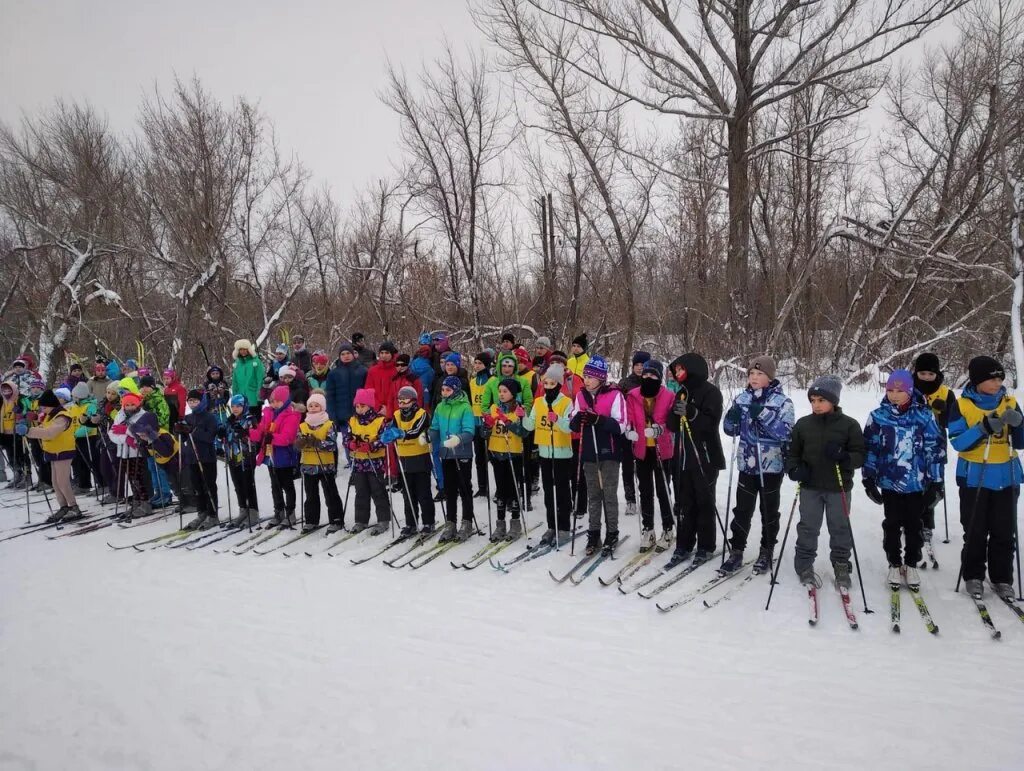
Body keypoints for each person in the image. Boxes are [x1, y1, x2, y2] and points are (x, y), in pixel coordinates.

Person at [948, 356, 1024, 599]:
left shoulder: (1010, 402)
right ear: (978, 380)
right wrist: (983, 428)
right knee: (974, 530)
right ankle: (974, 575)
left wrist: (1019, 425)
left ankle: (1002, 578)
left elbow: (1021, 442)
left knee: (1004, 530)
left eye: (1000, 377)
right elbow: (958, 442)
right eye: (992, 378)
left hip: (1006, 476)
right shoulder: (962, 405)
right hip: (974, 477)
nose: (997, 382)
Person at [862, 369, 945, 588]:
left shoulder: (924, 416)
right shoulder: (878, 416)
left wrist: (936, 482)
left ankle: (911, 564)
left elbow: (934, 450)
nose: (894, 394)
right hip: (889, 482)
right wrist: (868, 478)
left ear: (909, 390)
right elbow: (870, 448)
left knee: (914, 525)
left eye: (900, 390)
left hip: (917, 483)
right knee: (891, 524)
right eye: (890, 390)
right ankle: (894, 563)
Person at [786, 375, 866, 588]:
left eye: (821, 400)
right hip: (810, 487)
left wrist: (844, 456)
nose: (816, 404)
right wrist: (794, 469)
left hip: (837, 487)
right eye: (813, 400)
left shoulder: (849, 425)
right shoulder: (803, 425)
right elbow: (792, 454)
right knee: (808, 527)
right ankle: (804, 563)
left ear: (833, 401)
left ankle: (841, 564)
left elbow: (859, 455)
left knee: (840, 527)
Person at [720, 355, 795, 574]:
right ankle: (736, 550)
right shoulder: (742, 398)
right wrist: (731, 419)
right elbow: (730, 430)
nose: (754, 378)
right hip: (747, 463)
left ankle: (766, 550)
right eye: (751, 373)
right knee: (742, 509)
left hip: (770, 465)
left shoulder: (782, 402)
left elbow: (787, 433)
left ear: (769, 377)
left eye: (759, 374)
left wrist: (762, 415)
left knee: (768, 510)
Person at [570, 356, 628, 555]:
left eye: (591, 377)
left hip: (609, 453)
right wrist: (578, 419)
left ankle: (612, 532)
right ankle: (594, 533)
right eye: (585, 376)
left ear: (601, 379)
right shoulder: (581, 396)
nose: (586, 380)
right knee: (593, 496)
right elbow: (573, 420)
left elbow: (621, 425)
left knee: (608, 495)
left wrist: (599, 420)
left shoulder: (614, 395)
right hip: (588, 453)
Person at [624, 360, 676, 554]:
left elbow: (673, 424)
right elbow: (629, 418)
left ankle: (668, 529)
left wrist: (659, 430)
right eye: (645, 375)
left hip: (662, 450)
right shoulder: (633, 395)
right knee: (645, 491)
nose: (648, 379)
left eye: (652, 376)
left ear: (659, 377)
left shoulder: (668, 395)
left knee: (663, 491)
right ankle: (648, 529)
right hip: (642, 449)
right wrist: (629, 431)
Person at [522, 363, 575, 547]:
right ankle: (551, 525)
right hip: (545, 452)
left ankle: (564, 527)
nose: (549, 387)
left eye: (553, 384)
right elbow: (529, 426)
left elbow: (569, 427)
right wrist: (522, 415)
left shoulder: (566, 402)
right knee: (548, 492)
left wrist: (558, 419)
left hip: (562, 453)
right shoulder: (539, 402)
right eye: (546, 383)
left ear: (559, 384)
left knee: (561, 491)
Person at [911, 351, 954, 549]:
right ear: (916, 373)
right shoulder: (908, 389)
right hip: (911, 445)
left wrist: (943, 411)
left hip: (935, 447)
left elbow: (953, 423)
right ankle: (910, 522)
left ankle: (927, 524)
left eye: (930, 374)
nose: (927, 378)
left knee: (933, 487)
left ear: (937, 373)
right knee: (913, 485)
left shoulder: (946, 393)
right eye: (922, 374)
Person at [19, 389, 82, 523]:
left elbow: (50, 433)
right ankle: (64, 506)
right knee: (55, 482)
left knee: (63, 482)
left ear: (51, 406)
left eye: (44, 407)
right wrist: (32, 422)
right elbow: (44, 427)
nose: (42, 409)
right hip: (53, 451)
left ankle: (73, 507)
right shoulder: (50, 416)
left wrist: (29, 431)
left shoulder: (62, 417)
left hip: (63, 451)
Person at [429, 376, 477, 542]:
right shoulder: (440, 407)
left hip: (462, 453)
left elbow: (470, 431)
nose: (444, 393)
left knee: (464, 487)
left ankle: (467, 521)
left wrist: (458, 439)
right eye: (443, 389)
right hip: (446, 453)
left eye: (448, 390)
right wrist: (428, 437)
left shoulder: (465, 407)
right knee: (449, 489)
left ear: (455, 390)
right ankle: (450, 522)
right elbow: (435, 427)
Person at [383, 385, 436, 536]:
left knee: (423, 493)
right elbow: (392, 429)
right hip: (404, 459)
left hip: (420, 458)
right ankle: (411, 523)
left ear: (413, 400)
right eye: (399, 400)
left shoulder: (422, 414)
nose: (402, 403)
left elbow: (415, 431)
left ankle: (428, 522)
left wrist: (400, 434)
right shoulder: (397, 414)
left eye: (405, 400)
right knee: (408, 494)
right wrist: (388, 434)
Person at [482, 378, 528, 541]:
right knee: (500, 491)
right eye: (500, 391)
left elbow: (524, 432)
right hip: (497, 454)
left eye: (505, 391)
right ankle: (500, 524)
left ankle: (515, 523)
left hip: (513, 454)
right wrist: (486, 426)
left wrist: (508, 421)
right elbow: (484, 434)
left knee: (513, 488)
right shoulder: (494, 408)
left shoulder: (519, 410)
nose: (501, 394)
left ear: (513, 393)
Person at [250, 385, 301, 528]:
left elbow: (287, 438)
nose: (274, 404)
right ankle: (278, 511)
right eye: (272, 401)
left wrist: (271, 437)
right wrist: (249, 433)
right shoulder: (268, 413)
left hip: (284, 456)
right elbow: (261, 431)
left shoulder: (291, 415)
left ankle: (290, 512)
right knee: (275, 485)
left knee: (287, 485)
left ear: (284, 401)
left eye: (278, 401)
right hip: (270, 454)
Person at [296, 391, 345, 534]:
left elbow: (331, 445)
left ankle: (336, 519)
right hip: (309, 465)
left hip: (325, 465)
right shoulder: (303, 425)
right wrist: (301, 442)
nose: (313, 408)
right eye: (310, 405)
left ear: (322, 407)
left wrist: (316, 442)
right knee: (310, 495)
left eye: (316, 405)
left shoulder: (328, 424)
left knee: (330, 494)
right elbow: (297, 445)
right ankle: (311, 520)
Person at [347, 388, 392, 534]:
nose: (359, 409)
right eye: (357, 406)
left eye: (363, 406)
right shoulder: (353, 420)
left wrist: (371, 446)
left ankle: (383, 519)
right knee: (361, 492)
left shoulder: (379, 421)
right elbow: (348, 438)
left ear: (370, 406)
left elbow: (384, 439)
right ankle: (361, 520)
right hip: (359, 463)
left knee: (378, 491)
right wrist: (351, 444)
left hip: (375, 462)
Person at [175, 390, 220, 530]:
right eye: (190, 401)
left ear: (202, 401)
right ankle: (202, 512)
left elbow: (210, 437)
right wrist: (180, 431)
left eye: (196, 401)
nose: (193, 403)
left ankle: (213, 515)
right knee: (197, 487)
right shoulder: (188, 417)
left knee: (208, 486)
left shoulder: (210, 417)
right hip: (192, 458)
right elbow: (183, 438)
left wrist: (194, 431)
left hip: (206, 458)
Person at [108, 392, 157, 520]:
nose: (129, 407)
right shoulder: (120, 415)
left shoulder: (143, 415)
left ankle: (145, 503)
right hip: (124, 452)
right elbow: (112, 433)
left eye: (132, 404)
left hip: (137, 453)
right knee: (130, 478)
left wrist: (128, 432)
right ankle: (136, 501)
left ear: (137, 404)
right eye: (127, 405)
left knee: (138, 478)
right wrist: (125, 438)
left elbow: (144, 433)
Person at [218, 394, 261, 527]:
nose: (235, 409)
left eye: (238, 406)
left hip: (246, 456)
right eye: (233, 406)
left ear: (244, 406)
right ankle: (243, 509)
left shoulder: (250, 419)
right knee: (237, 484)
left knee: (248, 484)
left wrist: (244, 434)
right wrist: (221, 434)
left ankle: (253, 512)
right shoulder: (229, 420)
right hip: (232, 456)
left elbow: (256, 439)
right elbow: (225, 435)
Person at [325, 343, 368, 467]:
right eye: (343, 354)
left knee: (362, 440)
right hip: (343, 415)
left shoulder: (362, 371)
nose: (346, 356)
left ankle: (363, 465)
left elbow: (368, 392)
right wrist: (333, 415)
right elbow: (330, 396)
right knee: (348, 441)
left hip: (360, 414)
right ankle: (353, 465)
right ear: (339, 356)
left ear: (353, 354)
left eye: (348, 353)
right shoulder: (334, 373)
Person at [618, 350, 649, 517]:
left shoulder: (651, 381)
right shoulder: (625, 383)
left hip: (645, 429)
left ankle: (646, 498)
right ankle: (630, 499)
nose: (639, 368)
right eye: (636, 365)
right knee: (628, 466)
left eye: (642, 365)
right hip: (628, 429)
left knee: (644, 467)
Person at [69, 381, 102, 494]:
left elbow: (89, 425)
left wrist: (76, 433)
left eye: (74, 396)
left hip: (89, 437)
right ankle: (84, 484)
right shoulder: (73, 407)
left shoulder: (89, 406)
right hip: (76, 438)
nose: (73, 398)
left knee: (93, 461)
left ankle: (102, 484)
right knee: (80, 462)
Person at [469, 352, 493, 499]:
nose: (477, 366)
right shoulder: (472, 381)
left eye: (480, 363)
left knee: (492, 456)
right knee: (479, 457)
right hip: (475, 422)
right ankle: (482, 486)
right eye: (476, 363)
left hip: (488, 422)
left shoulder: (491, 381)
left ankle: (498, 487)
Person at [1, 379, 31, 489]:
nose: (6, 392)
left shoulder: (20, 398)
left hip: (18, 431)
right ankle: (18, 473)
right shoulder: (1, 400)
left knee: (21, 454)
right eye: (4, 390)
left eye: (8, 389)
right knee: (11, 456)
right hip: (5, 433)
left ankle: (27, 476)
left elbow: (26, 410)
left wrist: (20, 412)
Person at [231, 339, 264, 420]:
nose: (243, 351)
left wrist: (260, 396)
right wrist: (234, 397)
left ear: (249, 349)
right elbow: (235, 382)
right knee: (242, 424)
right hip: (240, 400)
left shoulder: (256, 362)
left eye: (244, 349)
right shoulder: (237, 363)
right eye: (240, 349)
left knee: (255, 423)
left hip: (253, 398)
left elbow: (260, 379)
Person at [410, 343, 435, 408]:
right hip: (425, 397)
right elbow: (429, 386)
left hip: (411, 395)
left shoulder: (411, 363)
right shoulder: (429, 370)